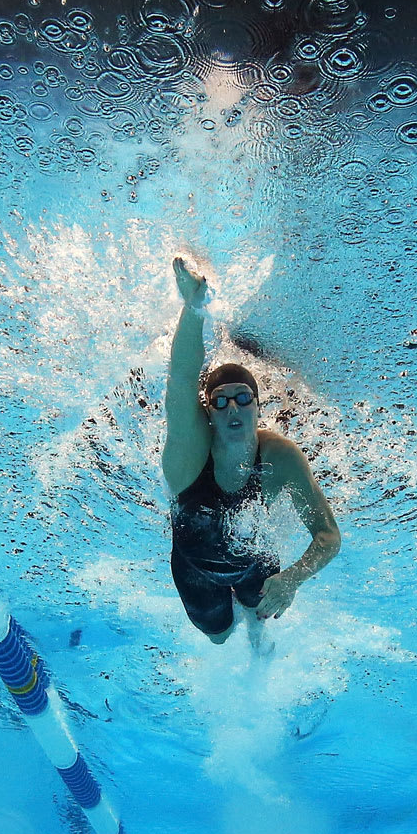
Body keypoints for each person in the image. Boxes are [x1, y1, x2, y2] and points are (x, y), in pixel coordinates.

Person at [161, 258, 341, 642]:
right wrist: (193, 307)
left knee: (260, 620)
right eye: (220, 401)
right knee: (219, 635)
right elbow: (179, 378)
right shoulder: (191, 457)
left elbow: (328, 535)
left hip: (253, 564)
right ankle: (230, 631)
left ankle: (255, 638)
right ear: (207, 412)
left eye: (243, 398)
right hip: (195, 569)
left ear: (258, 407)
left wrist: (292, 579)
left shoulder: (282, 458)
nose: (233, 408)